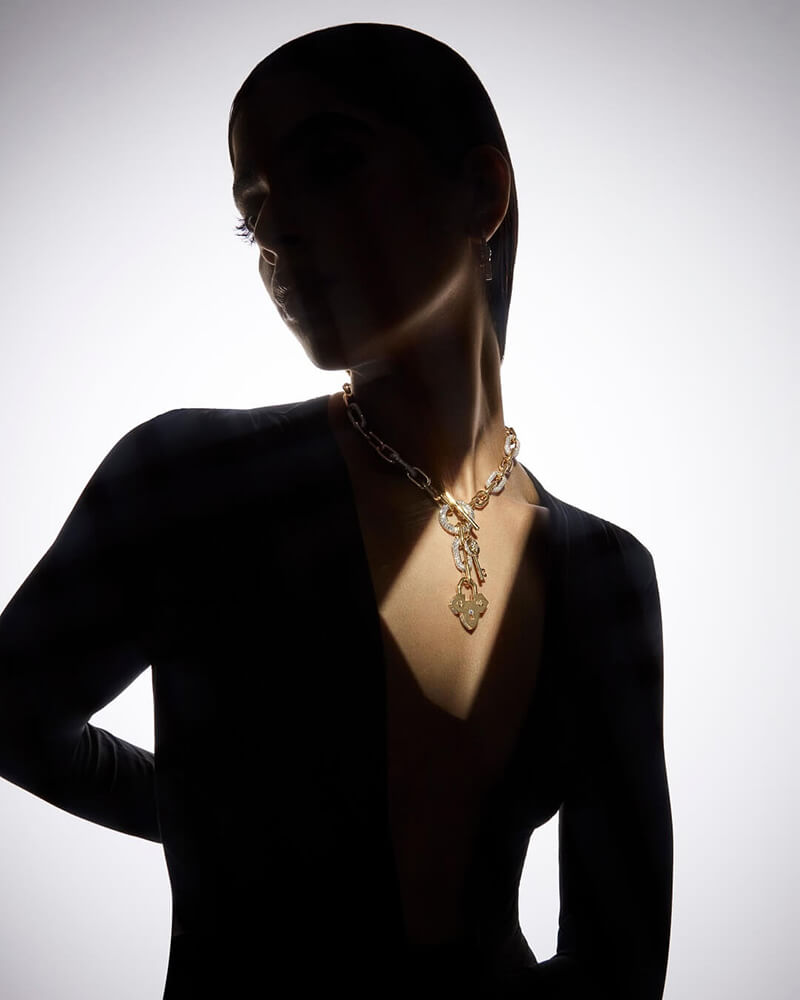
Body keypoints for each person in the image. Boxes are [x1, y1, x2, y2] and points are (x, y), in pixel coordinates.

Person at [0, 22, 673, 1000]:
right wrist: (201, 818)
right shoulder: (191, 481)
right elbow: (13, 712)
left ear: (481, 192)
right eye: (253, 213)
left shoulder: (603, 575)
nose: (277, 236)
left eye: (329, 166)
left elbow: (620, 967)